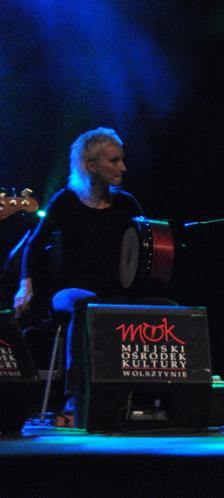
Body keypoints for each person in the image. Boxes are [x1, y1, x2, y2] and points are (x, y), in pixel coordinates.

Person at [13, 127, 155, 424]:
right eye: (114, 161)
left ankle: (150, 400)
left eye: (122, 160)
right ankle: (74, 400)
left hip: (115, 293)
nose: (123, 167)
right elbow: (34, 247)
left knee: (166, 307)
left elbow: (149, 246)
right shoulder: (66, 201)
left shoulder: (126, 204)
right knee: (85, 303)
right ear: (91, 166)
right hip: (69, 291)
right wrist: (26, 285)